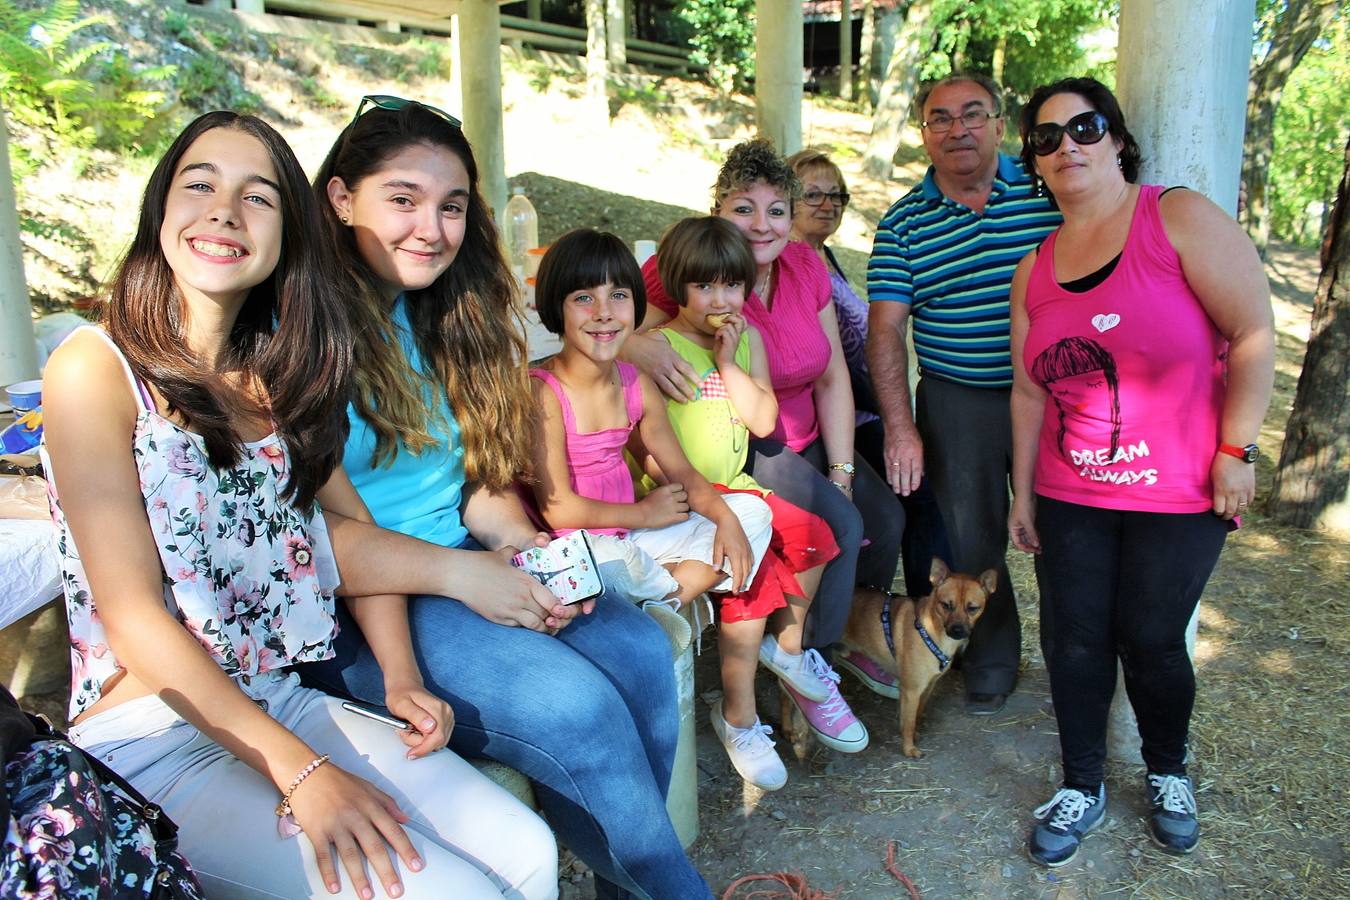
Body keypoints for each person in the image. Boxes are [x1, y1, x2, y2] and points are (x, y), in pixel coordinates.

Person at [39, 110, 557, 899]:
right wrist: (302, 773)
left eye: (258, 197)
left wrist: (399, 675)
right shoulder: (95, 366)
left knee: (528, 850)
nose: (223, 211)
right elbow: (134, 618)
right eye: (200, 185)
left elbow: (345, 532)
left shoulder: (276, 376)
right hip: (156, 732)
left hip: (277, 695)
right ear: (161, 209)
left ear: (287, 234)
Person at [297, 96, 709, 900]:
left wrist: (526, 558)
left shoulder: (440, 312)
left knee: (635, 652)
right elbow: (319, 534)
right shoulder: (303, 331)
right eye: (403, 199)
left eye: (451, 206)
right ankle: (676, 890)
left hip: (456, 563)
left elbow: (481, 493)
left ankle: (627, 890)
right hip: (359, 600)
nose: (431, 228)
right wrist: (470, 578)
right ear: (342, 200)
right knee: (579, 707)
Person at [1007, 77, 1274, 867]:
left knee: (1154, 638)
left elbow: (1254, 329)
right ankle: (1081, 784)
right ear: (1037, 164)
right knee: (1074, 641)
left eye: (1083, 127)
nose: (1067, 147)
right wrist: (1021, 492)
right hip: (1067, 491)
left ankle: (1166, 771)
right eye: (1046, 139)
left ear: (1118, 139)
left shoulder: (1176, 216)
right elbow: (1028, 391)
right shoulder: (1035, 268)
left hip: (1182, 487)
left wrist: (1239, 450)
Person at [529, 227, 836, 787]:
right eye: (583, 298)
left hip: (636, 542)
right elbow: (558, 509)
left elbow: (685, 474)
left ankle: (659, 595)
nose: (604, 313)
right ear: (555, 308)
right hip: (581, 543)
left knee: (755, 516)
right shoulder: (544, 390)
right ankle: (654, 594)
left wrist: (723, 518)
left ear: (636, 304)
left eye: (618, 296)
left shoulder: (632, 381)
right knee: (614, 563)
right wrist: (644, 515)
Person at [625, 139, 902, 751]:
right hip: (736, 442)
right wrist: (636, 344)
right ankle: (802, 664)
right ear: (718, 209)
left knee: (882, 515)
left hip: (788, 427)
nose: (761, 224)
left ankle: (830, 645)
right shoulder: (690, 262)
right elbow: (614, 330)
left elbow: (831, 373)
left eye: (776, 210)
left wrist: (842, 467)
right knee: (837, 523)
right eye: (743, 207)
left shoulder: (805, 267)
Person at [865, 73, 1063, 716]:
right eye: (940, 119)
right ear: (924, 136)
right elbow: (887, 331)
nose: (958, 129)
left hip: (1059, 395)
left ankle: (1075, 661)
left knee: (1065, 529)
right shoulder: (902, 224)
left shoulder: (1049, 191)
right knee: (974, 542)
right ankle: (989, 664)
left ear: (999, 124)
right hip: (960, 399)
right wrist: (901, 426)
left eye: (972, 114)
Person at [649, 217, 864, 776]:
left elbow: (764, 419)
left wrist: (727, 360)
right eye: (704, 286)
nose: (720, 300)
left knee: (818, 536)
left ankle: (786, 651)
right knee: (755, 569)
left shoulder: (749, 343)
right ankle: (738, 717)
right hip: (683, 495)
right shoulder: (657, 348)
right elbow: (640, 437)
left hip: (740, 486)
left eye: (732, 286)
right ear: (677, 286)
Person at [784, 148, 952, 699]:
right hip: (838, 420)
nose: (828, 204)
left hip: (861, 412)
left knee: (916, 498)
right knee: (892, 509)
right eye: (815, 193)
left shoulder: (823, 257)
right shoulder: (782, 260)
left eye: (837, 195)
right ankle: (857, 634)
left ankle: (880, 628)